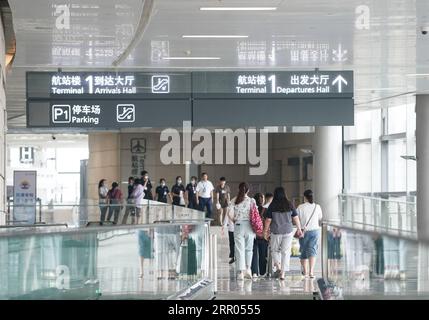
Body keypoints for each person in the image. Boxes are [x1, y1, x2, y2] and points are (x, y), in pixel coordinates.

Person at [264, 187, 303, 281]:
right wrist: (299, 228)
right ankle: (283, 273)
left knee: (274, 250)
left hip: (276, 232)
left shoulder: (272, 205)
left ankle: (279, 267)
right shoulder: (289, 204)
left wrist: (265, 231)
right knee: (285, 252)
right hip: (288, 231)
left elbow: (268, 220)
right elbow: (296, 217)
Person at [227, 182, 256, 280]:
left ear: (238, 189)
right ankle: (248, 269)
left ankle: (240, 272)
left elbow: (229, 213)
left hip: (238, 225)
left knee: (239, 249)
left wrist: (234, 220)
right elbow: (255, 214)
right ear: (248, 190)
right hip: (249, 226)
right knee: (249, 249)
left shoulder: (234, 200)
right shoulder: (252, 201)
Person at [296, 189, 323, 279]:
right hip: (315, 231)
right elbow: (320, 218)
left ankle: (306, 271)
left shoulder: (300, 207)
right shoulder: (317, 206)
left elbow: (296, 218)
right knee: (312, 250)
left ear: (305, 197)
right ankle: (311, 271)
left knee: (303, 250)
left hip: (304, 231)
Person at [251, 193, 269, 278]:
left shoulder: (252, 210)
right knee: (262, 255)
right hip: (263, 236)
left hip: (253, 235)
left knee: (253, 254)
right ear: (263, 200)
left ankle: (254, 272)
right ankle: (262, 272)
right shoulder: (266, 210)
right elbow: (268, 222)